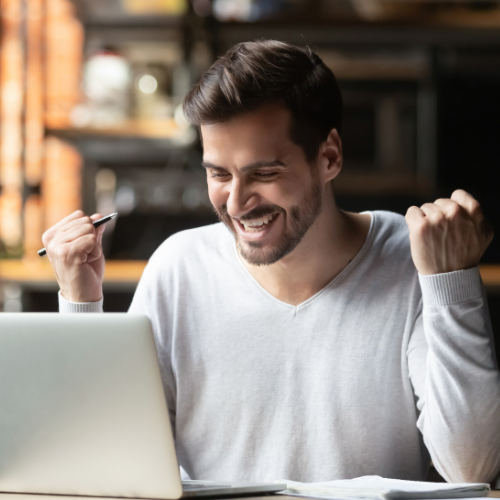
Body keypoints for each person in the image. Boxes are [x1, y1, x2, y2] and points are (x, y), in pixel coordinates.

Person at [42, 40, 500, 484]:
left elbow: (471, 467)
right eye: (218, 174)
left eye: (264, 172)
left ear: (329, 156)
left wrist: (451, 282)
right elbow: (107, 463)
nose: (237, 203)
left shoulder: (419, 262)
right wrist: (81, 305)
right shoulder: (178, 269)